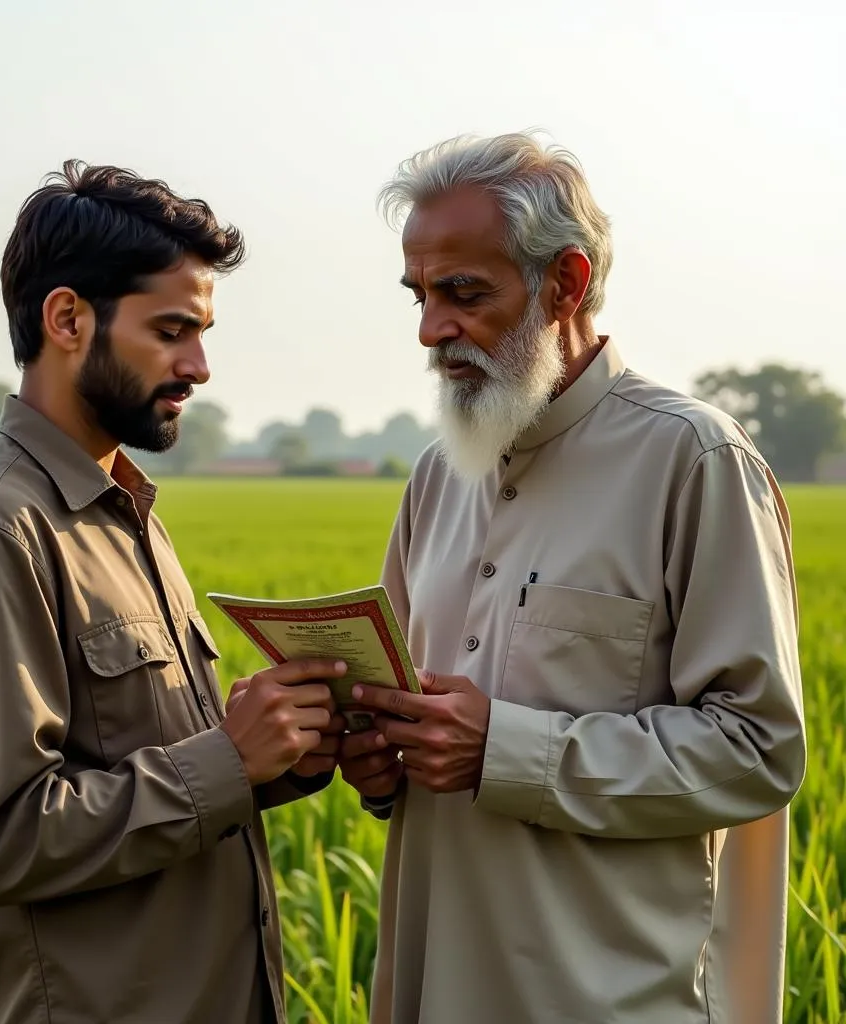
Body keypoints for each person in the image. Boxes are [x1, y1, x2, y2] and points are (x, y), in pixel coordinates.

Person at [337, 132, 808, 1024]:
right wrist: (376, 760)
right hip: (434, 986)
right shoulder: (439, 476)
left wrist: (504, 750)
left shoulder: (692, 459)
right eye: (422, 295)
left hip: (615, 997)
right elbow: (406, 714)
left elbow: (757, 749)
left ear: (567, 282)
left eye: (463, 293)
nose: (433, 328)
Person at [0, 160, 346, 1024]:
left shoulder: (119, 510)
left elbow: (138, 766)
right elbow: (5, 840)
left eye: (202, 333)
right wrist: (229, 761)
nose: (199, 366)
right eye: (171, 331)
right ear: (66, 318)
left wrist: (274, 763)